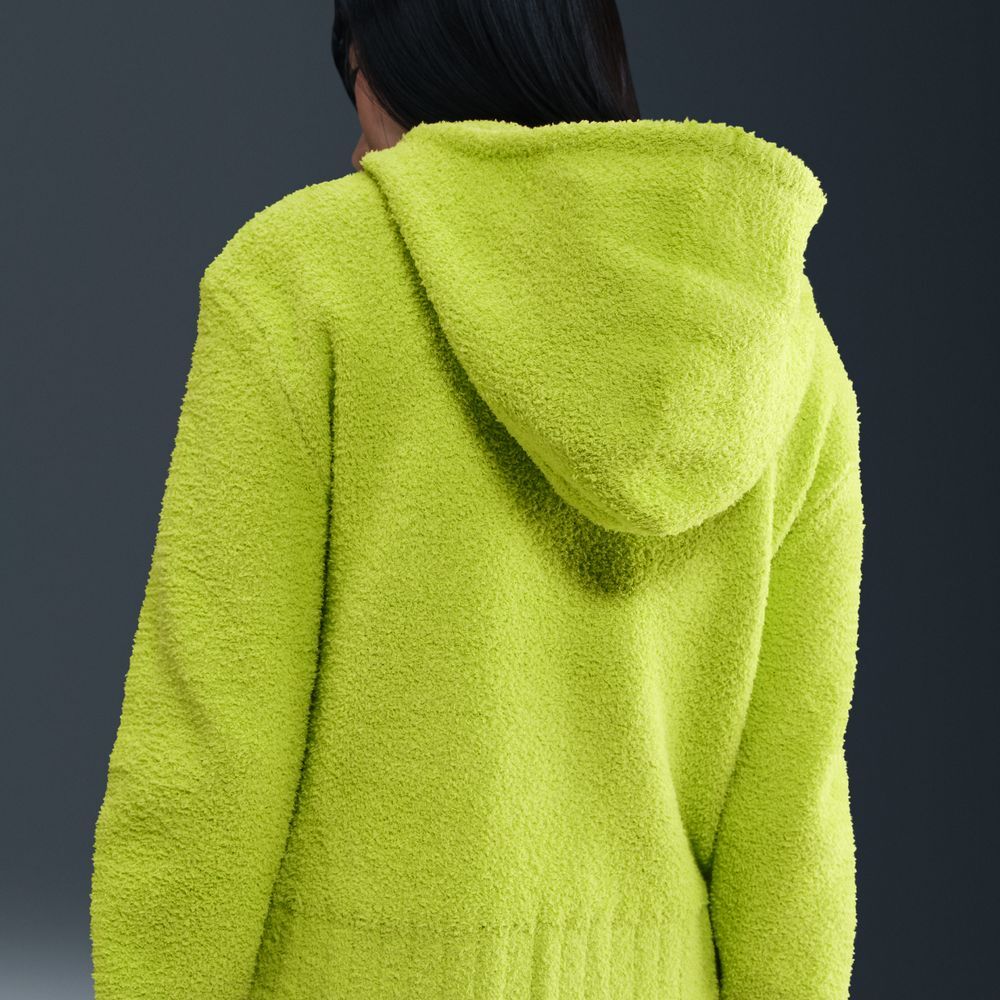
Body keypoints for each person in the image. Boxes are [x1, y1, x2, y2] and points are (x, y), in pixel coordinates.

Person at [89, 2, 865, 999]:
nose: (357, 150)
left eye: (358, 89)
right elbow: (789, 813)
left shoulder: (301, 281)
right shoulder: (781, 350)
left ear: (408, 61)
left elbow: (207, 750)